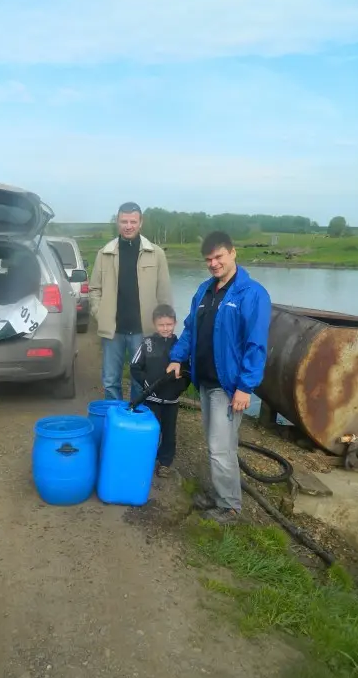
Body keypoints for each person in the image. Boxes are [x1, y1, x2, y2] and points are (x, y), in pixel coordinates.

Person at [167, 231, 271, 523]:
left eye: (219, 257)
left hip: (228, 387)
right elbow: (190, 329)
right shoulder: (204, 291)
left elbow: (256, 344)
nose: (213, 263)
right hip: (206, 382)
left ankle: (230, 507)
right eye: (208, 259)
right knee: (219, 447)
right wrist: (177, 357)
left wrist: (245, 387)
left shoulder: (252, 294)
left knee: (219, 448)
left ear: (233, 253)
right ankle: (221, 496)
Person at [89, 202, 172, 401]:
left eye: (133, 221)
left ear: (140, 223)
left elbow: (164, 294)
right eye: (124, 221)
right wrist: (99, 313)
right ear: (117, 222)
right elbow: (94, 289)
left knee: (139, 380)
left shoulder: (157, 254)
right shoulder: (104, 253)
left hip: (143, 331)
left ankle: (135, 422)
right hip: (113, 331)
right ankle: (115, 423)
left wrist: (165, 328)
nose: (128, 226)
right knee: (110, 380)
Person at [130, 304, 190, 477]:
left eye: (169, 324)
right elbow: (135, 367)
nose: (165, 328)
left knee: (169, 433)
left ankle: (165, 462)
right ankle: (146, 458)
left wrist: (179, 388)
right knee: (150, 430)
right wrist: (146, 383)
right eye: (161, 325)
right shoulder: (147, 344)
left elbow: (188, 373)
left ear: (175, 323)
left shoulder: (181, 347)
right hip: (151, 400)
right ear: (155, 325)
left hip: (171, 402)